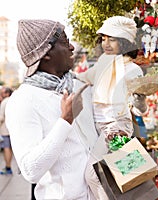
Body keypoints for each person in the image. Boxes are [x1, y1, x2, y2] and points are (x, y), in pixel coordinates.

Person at [5, 19, 105, 200]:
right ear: (46, 53)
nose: (72, 47)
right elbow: (30, 170)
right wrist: (65, 121)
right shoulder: (22, 101)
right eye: (65, 42)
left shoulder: (79, 86)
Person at [76, 16, 148, 199]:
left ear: (124, 42)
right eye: (104, 38)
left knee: (92, 175)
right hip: (97, 126)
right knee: (119, 178)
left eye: (112, 38)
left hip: (117, 127)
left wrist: (140, 99)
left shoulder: (134, 69)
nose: (106, 43)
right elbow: (84, 78)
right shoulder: (103, 61)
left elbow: (141, 110)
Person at [0, 86, 13, 175]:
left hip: (5, 129)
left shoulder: (4, 102)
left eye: (2, 92)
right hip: (12, 129)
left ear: (7, 93)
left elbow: (1, 118)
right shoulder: (14, 100)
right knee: (10, 148)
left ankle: (8, 167)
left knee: (6, 148)